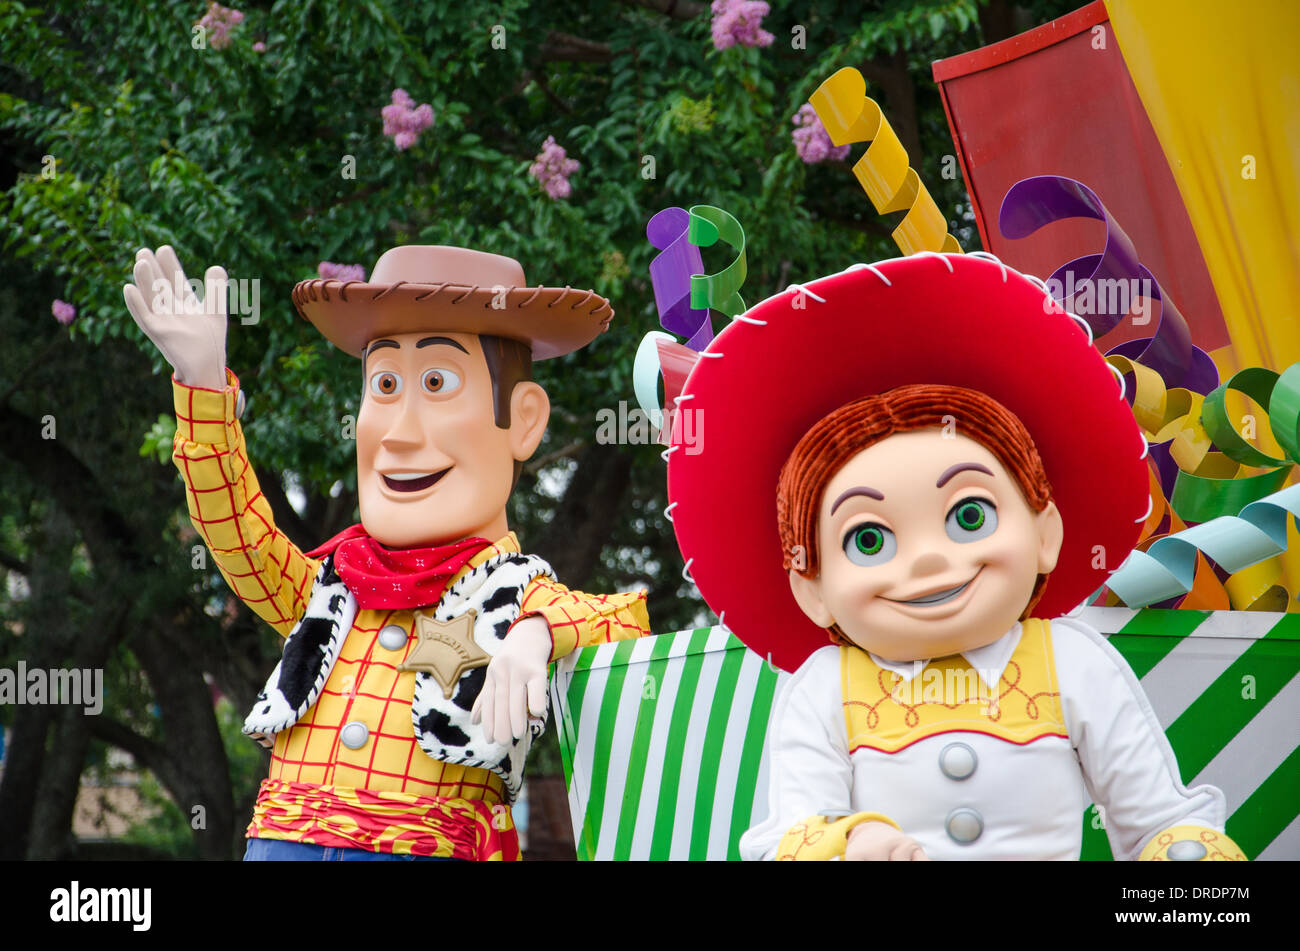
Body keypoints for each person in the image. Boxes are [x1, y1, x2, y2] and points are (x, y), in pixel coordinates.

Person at [665, 251, 1247, 860]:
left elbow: (1157, 820)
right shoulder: (826, 689)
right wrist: (849, 841)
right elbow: (785, 835)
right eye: (869, 539)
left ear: (1045, 531)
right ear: (811, 586)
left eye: (969, 516)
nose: (925, 562)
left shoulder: (1071, 662)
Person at [124, 244, 649, 860]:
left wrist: (536, 633)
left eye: (436, 382)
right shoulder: (330, 590)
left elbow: (623, 620)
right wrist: (205, 388)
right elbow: (235, 530)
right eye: (385, 384)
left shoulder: (509, 591)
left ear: (525, 421)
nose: (398, 433)